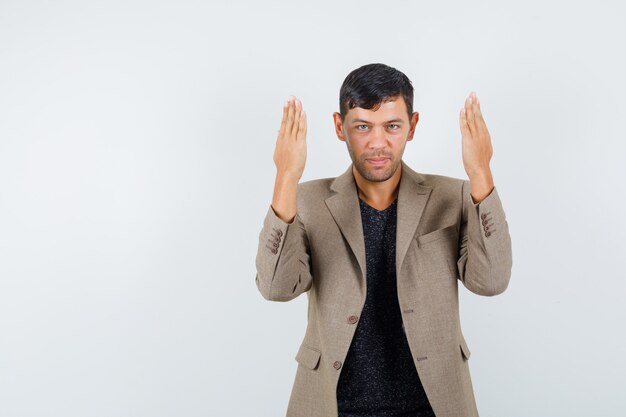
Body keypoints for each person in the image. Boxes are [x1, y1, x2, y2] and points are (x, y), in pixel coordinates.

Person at [254, 63, 513, 417]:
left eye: (392, 126)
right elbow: (275, 288)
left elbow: (492, 281)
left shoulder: (452, 197)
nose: (378, 143)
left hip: (431, 406)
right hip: (334, 406)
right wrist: (286, 176)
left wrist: (481, 172)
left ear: (412, 126)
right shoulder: (307, 202)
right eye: (362, 126)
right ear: (339, 127)